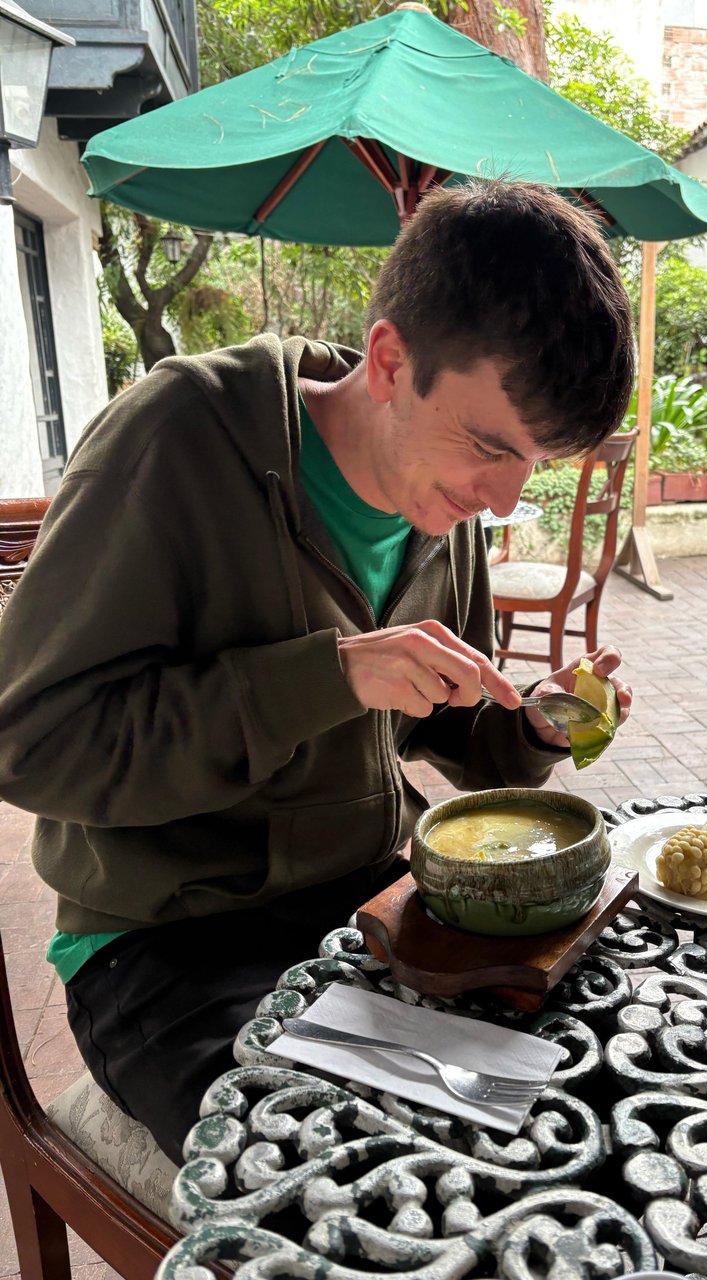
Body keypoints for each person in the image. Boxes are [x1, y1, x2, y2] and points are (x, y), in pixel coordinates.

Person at [0, 179, 636, 1162]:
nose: (503, 498)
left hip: (366, 907)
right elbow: (32, 744)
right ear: (389, 360)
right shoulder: (178, 437)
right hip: (169, 943)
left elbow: (439, 719)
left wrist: (530, 726)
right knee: (351, 1172)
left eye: (534, 462)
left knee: (587, 1089)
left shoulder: (447, 504)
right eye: (489, 446)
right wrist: (328, 674)